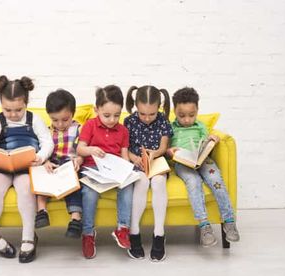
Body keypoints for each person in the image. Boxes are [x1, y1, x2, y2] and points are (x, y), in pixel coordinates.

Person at [0, 75, 53, 263]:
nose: (13, 114)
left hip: (25, 166)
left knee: (26, 189)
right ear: (0, 104)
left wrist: (41, 156)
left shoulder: (34, 119)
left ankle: (29, 236)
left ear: (26, 103)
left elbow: (47, 142)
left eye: (18, 110)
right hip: (1, 166)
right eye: (8, 110)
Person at [167, 87, 240, 247]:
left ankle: (229, 221)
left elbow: (206, 143)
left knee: (216, 181)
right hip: (183, 164)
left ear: (197, 111)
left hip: (203, 160)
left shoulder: (200, 126)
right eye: (182, 115)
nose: (186, 120)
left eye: (191, 115)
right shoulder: (171, 128)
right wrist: (170, 152)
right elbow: (166, 149)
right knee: (193, 184)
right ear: (174, 111)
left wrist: (212, 140)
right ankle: (205, 227)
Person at [77, 85, 133, 259]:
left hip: (114, 170)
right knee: (89, 193)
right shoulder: (90, 125)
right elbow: (80, 149)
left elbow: (124, 156)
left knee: (128, 186)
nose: (111, 120)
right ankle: (87, 234)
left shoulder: (123, 130)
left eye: (117, 115)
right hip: (92, 169)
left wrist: (127, 170)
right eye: (107, 115)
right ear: (96, 110)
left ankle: (122, 229)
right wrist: (92, 150)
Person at [124, 85, 173, 261]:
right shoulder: (129, 121)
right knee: (142, 182)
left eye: (151, 114)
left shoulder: (163, 120)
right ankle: (134, 232)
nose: (146, 118)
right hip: (137, 162)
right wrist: (133, 157)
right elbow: (124, 148)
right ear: (136, 106)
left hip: (156, 161)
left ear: (158, 108)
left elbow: (163, 147)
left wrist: (154, 154)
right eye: (142, 113)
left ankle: (159, 233)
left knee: (159, 182)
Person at [35, 89, 83, 238]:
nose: (60, 124)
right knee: (41, 181)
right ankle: (42, 212)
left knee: (74, 186)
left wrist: (79, 159)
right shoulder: (46, 131)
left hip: (70, 165)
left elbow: (82, 149)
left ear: (73, 114)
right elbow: (41, 150)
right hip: (53, 165)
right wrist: (46, 162)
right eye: (55, 120)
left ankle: (75, 219)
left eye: (65, 119)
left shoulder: (79, 129)